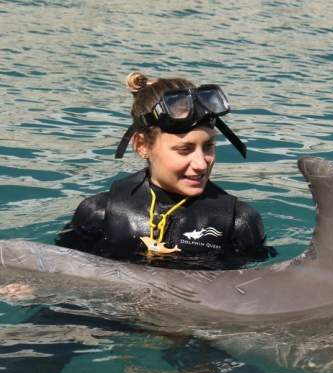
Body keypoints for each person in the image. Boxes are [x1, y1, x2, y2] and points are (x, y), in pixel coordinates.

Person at [56, 72, 273, 269]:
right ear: (142, 146)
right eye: (184, 149)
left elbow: (251, 291)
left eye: (208, 146)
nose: (201, 163)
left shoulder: (238, 222)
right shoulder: (98, 213)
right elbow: (58, 267)